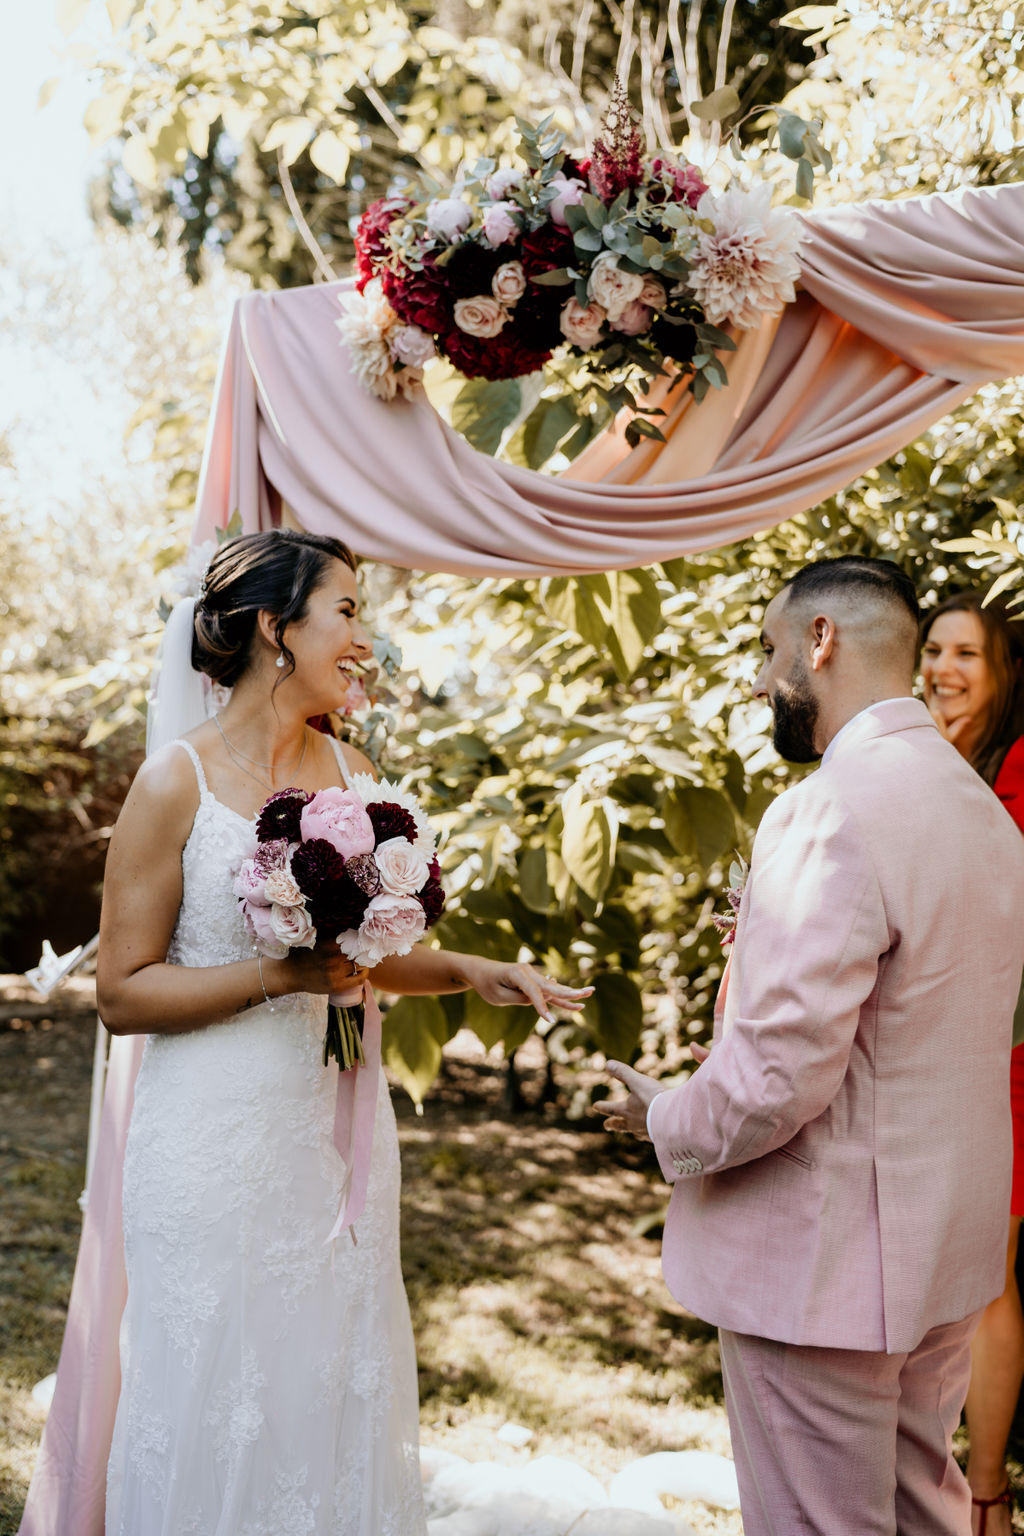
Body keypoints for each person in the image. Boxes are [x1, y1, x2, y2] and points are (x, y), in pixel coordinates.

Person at [93, 528, 590, 1536]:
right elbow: (122, 992)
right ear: (277, 630)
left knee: (327, 1376)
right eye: (348, 611)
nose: (364, 637)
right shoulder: (172, 783)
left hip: (331, 1132)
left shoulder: (354, 772)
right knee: (215, 1387)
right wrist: (275, 975)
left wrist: (464, 970)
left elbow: (356, 956)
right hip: (210, 1139)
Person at [597, 556, 1024, 1536]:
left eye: (764, 650)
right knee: (923, 1508)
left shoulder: (828, 809)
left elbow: (778, 1074)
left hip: (824, 1268)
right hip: (943, 1248)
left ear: (819, 641)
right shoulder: (979, 812)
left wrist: (664, 1114)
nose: (758, 681)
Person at [920, 591, 1024, 1536]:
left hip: (1008, 1054)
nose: (945, 668)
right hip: (946, 1048)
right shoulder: (930, 758)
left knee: (990, 1275)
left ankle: (985, 1494)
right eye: (935, 650)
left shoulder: (1018, 766)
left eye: (968, 655)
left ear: (1003, 671)